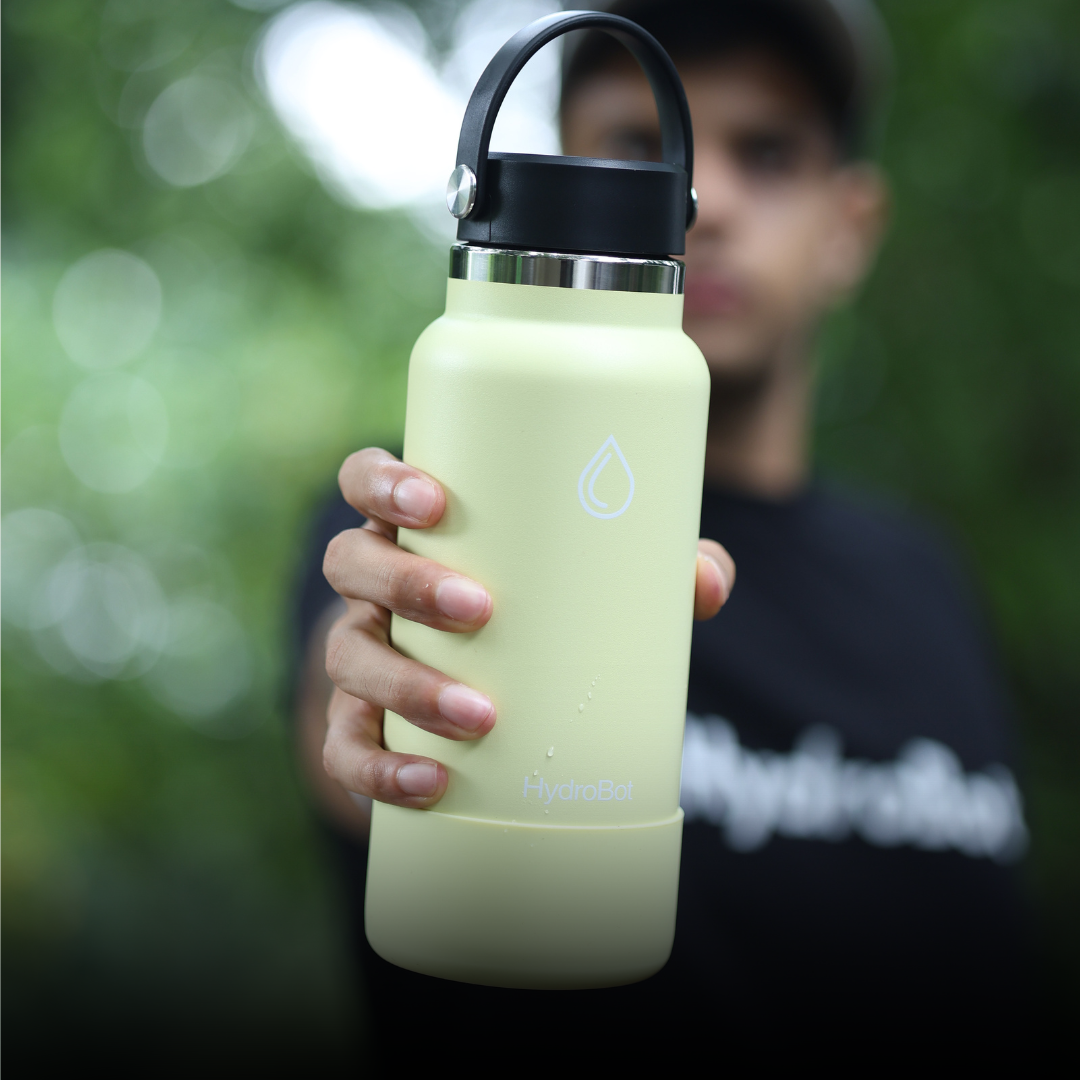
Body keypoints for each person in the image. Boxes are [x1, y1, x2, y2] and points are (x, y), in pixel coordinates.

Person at [292, 0, 1030, 1050]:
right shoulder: (432, 512)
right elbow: (346, 692)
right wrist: (377, 685)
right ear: (568, 186)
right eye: (639, 149)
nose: (706, 200)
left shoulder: (925, 582)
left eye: (768, 153)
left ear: (849, 229)